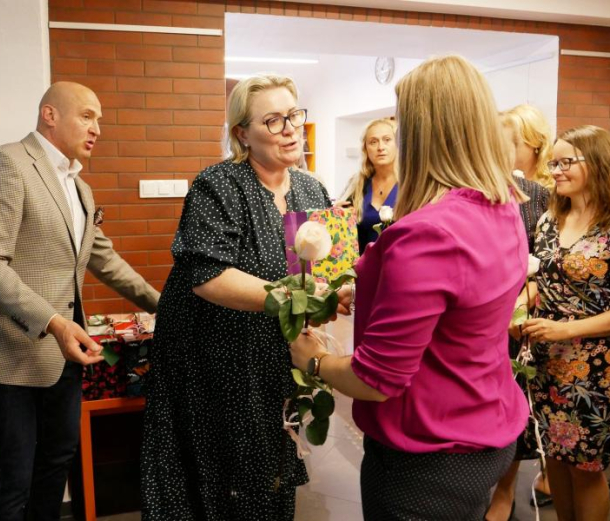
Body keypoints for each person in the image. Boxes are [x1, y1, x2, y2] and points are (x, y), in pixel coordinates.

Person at [290, 55, 529, 520]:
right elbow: (462, 299)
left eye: (399, 126)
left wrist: (314, 360)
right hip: (486, 423)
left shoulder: (428, 233)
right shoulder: (502, 208)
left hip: (429, 454)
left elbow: (376, 380)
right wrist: (374, 294)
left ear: (417, 134)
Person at [0, 81, 160, 521]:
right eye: (87, 116)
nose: (97, 128)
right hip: (7, 352)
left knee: (56, 461)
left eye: (99, 119)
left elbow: (104, 259)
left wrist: (165, 305)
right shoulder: (5, 163)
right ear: (50, 114)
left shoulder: (79, 188)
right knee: (13, 473)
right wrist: (54, 322)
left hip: (63, 354)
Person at [141, 74, 332, 520]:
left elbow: (321, 271)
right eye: (273, 120)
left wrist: (332, 295)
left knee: (272, 467)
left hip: (273, 353)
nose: (290, 129)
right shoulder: (219, 185)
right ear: (242, 134)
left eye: (294, 115)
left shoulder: (312, 189)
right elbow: (208, 276)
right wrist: (295, 296)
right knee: (223, 478)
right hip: (213, 359)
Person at [520, 125, 610, 521]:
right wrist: (520, 306)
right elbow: (540, 279)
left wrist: (567, 329)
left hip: (595, 370)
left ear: (596, 164)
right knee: (554, 461)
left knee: (586, 468)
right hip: (544, 363)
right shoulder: (549, 220)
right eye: (553, 163)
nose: (556, 171)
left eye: (566, 162)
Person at [486, 112, 552, 521]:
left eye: (508, 142)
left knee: (517, 399)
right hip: (484, 312)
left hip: (519, 317)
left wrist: (522, 303)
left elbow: (547, 264)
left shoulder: (539, 195)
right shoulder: (478, 188)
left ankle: (506, 488)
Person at [338, 118, 398, 253]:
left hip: (401, 263)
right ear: (365, 148)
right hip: (363, 264)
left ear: (397, 144)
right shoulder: (357, 185)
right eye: (373, 142)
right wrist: (335, 214)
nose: (380, 147)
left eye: (387, 140)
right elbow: (344, 232)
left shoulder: (410, 184)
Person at [501, 104, 555, 189]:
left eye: (514, 142)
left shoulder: (555, 184)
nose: (505, 149)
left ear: (535, 141)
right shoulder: (499, 182)